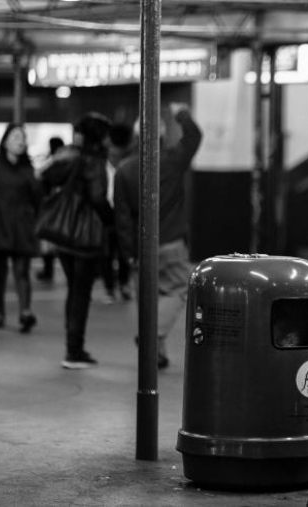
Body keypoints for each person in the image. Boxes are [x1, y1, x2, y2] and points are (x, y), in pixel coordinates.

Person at [114, 106, 202, 369]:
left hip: (142, 247)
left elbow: (122, 218)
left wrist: (129, 252)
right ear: (161, 134)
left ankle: (156, 353)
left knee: (149, 299)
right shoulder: (173, 161)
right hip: (172, 242)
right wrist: (182, 115)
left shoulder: (124, 170)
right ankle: (151, 338)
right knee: (178, 291)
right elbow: (194, 137)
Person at [40, 113, 114, 369]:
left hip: (64, 234)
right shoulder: (95, 162)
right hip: (86, 235)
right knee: (81, 293)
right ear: (100, 137)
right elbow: (97, 198)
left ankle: (72, 347)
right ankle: (74, 351)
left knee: (74, 290)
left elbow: (45, 175)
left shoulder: (70, 155)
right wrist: (110, 219)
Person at [0, 123, 43, 333]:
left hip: (22, 227)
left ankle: (25, 312)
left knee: (22, 271)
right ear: (5, 141)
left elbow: (38, 199)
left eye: (22, 137)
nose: (20, 141)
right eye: (15, 137)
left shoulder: (29, 168)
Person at [99, 124, 133, 304]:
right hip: (110, 212)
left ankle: (118, 286)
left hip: (118, 211)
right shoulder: (104, 163)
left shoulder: (125, 163)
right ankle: (115, 286)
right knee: (113, 251)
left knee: (117, 251)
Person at [35, 136, 65, 283]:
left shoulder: (53, 163)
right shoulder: (64, 161)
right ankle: (49, 271)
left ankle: (48, 271)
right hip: (60, 207)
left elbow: (39, 177)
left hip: (50, 207)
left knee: (48, 241)